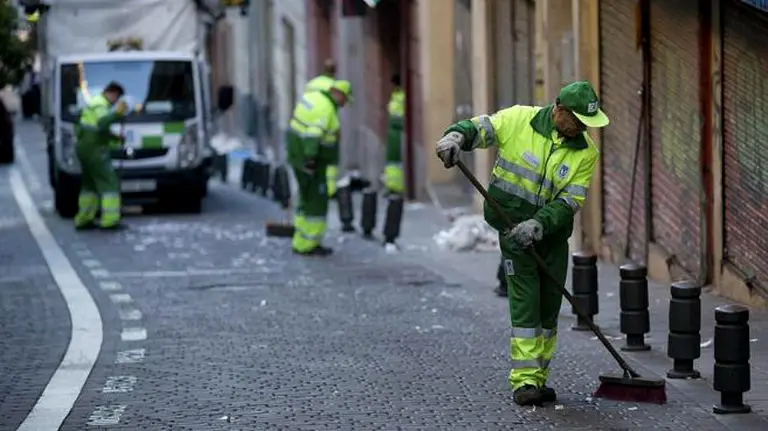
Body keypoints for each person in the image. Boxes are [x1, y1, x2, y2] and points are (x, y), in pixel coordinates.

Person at [435, 81, 609, 406]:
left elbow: (570, 200)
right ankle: (525, 381)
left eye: (587, 124)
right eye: (578, 121)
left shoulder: (586, 153)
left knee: (548, 307)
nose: (582, 129)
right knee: (526, 301)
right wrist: (456, 136)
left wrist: (539, 224)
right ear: (559, 110)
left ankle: (539, 378)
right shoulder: (520, 119)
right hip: (512, 229)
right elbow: (481, 128)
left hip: (552, 237)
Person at [286, 79, 353, 256]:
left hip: (297, 157)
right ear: (338, 94)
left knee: (305, 198)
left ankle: (300, 240)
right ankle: (309, 244)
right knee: (316, 203)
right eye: (345, 99)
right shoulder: (325, 109)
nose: (345, 104)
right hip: (312, 163)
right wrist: (311, 160)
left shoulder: (314, 96)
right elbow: (313, 135)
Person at [74, 81, 129, 230]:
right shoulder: (100, 104)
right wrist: (117, 113)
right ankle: (110, 220)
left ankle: (84, 218)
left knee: (89, 185)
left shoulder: (94, 103)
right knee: (109, 182)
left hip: (84, 148)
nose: (116, 102)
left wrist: (115, 137)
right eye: (116, 98)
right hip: (95, 150)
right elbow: (103, 123)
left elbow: (96, 129)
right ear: (112, 93)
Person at [304, 59, 342, 204]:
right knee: (330, 161)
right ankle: (330, 191)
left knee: (313, 159)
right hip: (328, 128)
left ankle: (312, 188)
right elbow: (334, 108)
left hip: (311, 126)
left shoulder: (312, 84)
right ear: (334, 71)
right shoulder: (335, 87)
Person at [381, 73, 406, 252]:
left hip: (397, 133)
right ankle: (394, 187)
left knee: (394, 163)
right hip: (394, 133)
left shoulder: (399, 97)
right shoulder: (399, 97)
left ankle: (394, 188)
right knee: (393, 164)